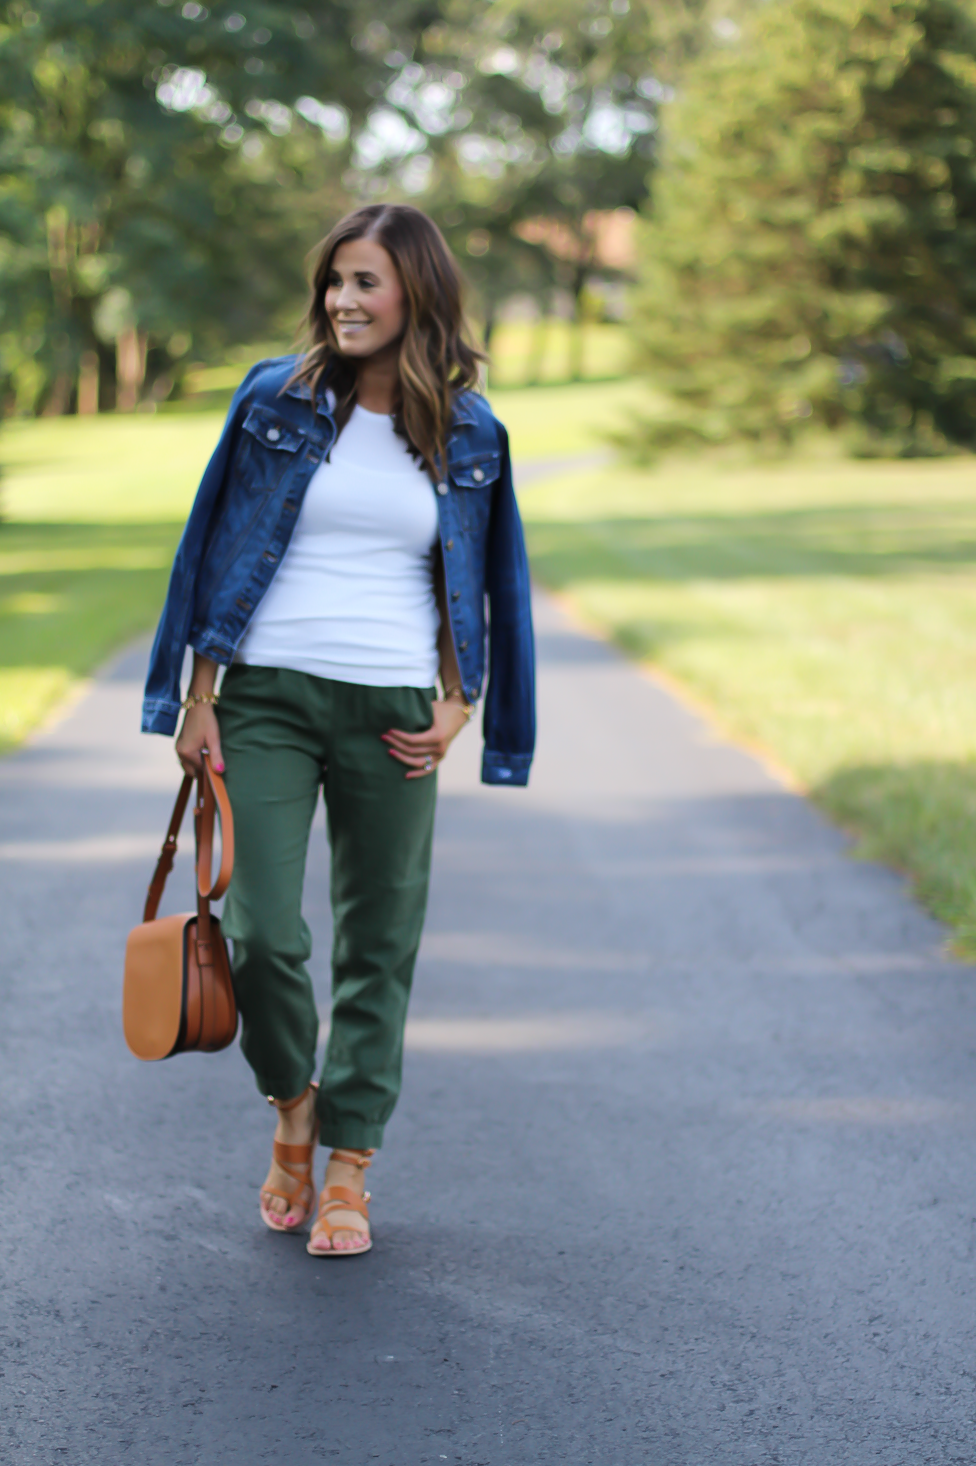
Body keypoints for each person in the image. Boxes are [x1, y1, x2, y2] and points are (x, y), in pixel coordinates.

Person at [141, 204, 535, 1257]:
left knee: (379, 946)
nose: (343, 301)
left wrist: (464, 703)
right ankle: (292, 1107)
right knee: (263, 930)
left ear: (418, 292)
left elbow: (490, 583)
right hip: (265, 695)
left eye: (366, 282)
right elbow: (209, 543)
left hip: (394, 712)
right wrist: (197, 692)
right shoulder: (276, 397)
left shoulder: (469, 431)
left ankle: (350, 1168)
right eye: (334, 282)